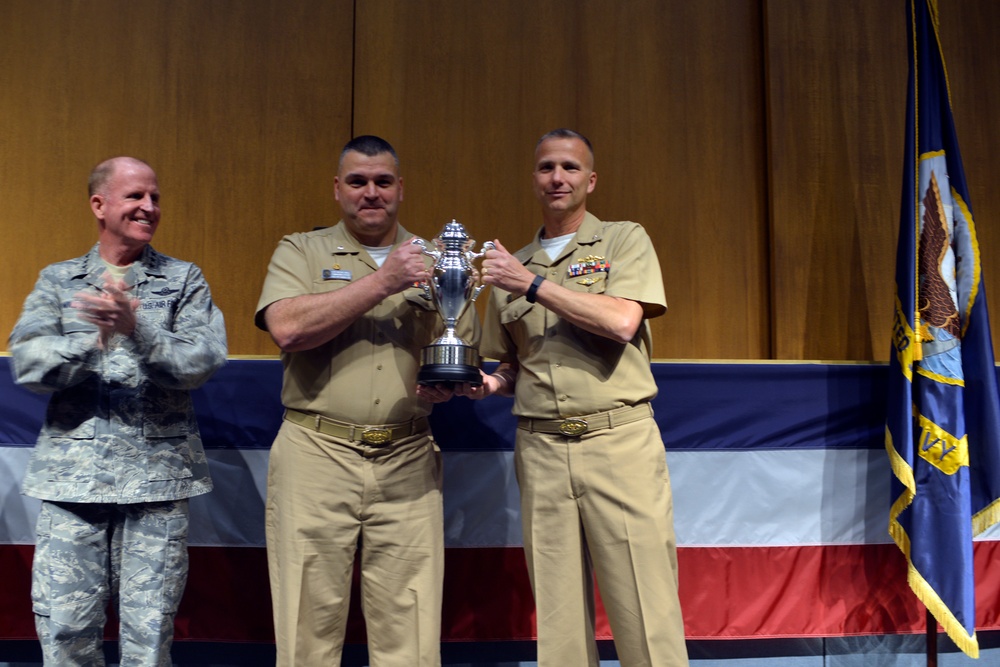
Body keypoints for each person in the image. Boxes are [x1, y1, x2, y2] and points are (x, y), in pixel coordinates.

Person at [462, 129, 689, 666]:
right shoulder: (510, 265)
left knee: (644, 607)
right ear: (534, 179)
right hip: (540, 449)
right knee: (559, 621)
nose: (556, 177)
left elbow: (621, 320)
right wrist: (488, 384)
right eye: (546, 168)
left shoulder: (623, 240)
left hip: (618, 440)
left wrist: (532, 285)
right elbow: (511, 365)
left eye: (568, 167)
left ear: (591, 180)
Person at [255, 135, 476, 666]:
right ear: (337, 189)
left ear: (400, 188)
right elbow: (286, 330)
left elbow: (463, 348)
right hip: (316, 453)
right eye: (357, 182)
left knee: (412, 632)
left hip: (408, 460)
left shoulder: (442, 261)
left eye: (382, 182)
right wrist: (382, 282)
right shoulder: (300, 250)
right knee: (306, 625)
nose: (370, 193)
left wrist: (447, 386)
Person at [8, 156, 228, 666]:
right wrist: (95, 340)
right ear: (99, 204)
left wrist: (139, 329)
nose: (149, 207)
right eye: (135, 197)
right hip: (72, 485)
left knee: (148, 641)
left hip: (157, 485)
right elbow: (29, 364)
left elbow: (202, 361)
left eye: (155, 197)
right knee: (65, 633)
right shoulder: (60, 281)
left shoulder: (183, 280)